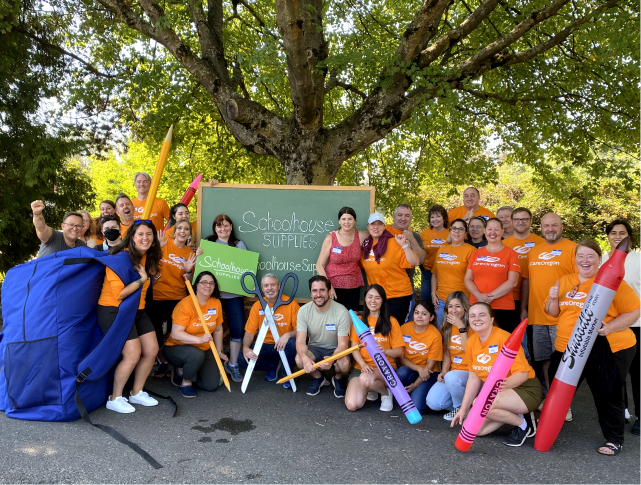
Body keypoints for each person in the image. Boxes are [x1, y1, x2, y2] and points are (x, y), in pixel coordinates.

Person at [546, 240, 641, 455]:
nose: (585, 260)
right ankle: (547, 430)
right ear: (574, 259)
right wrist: (553, 299)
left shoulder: (612, 281)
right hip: (569, 348)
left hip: (607, 347)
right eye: (581, 256)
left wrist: (611, 327)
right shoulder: (565, 281)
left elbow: (635, 310)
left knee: (607, 393)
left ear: (600, 260)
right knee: (557, 390)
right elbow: (553, 313)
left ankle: (614, 440)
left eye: (590, 256)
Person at [451, 302, 542, 447]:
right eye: (473, 316)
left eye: (482, 315)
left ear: (491, 319)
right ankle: (515, 413)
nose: (477, 319)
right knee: (475, 430)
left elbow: (523, 374)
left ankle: (524, 424)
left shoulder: (504, 338)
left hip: (525, 388)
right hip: (498, 392)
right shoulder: (470, 343)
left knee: (480, 404)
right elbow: (473, 379)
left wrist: (497, 390)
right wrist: (463, 409)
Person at [96, 219, 163, 413]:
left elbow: (145, 289)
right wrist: (143, 279)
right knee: (132, 354)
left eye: (149, 234)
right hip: (114, 309)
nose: (145, 238)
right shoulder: (119, 258)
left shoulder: (147, 258)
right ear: (132, 237)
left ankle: (136, 392)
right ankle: (115, 398)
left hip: (137, 310)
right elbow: (120, 294)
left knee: (152, 350)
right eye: (140, 234)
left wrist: (150, 278)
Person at [522, 212, 576, 398]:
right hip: (538, 316)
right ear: (541, 228)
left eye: (554, 225)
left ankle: (563, 400)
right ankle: (551, 397)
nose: (550, 229)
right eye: (546, 226)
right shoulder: (534, 251)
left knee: (562, 360)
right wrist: (523, 308)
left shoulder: (573, 249)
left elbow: (581, 281)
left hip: (562, 317)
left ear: (562, 227)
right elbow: (527, 281)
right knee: (544, 359)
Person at [603, 220, 641, 435]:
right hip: (611, 327)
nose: (618, 236)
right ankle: (622, 410)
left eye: (622, 233)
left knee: (638, 374)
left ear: (629, 237)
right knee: (615, 373)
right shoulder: (601, 261)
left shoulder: (638, 259)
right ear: (608, 236)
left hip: (637, 324)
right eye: (613, 233)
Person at [201, 214, 249, 383]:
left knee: (237, 329)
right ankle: (215, 362)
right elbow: (201, 269)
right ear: (215, 228)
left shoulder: (238, 245)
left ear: (231, 227)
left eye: (226, 226)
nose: (223, 229)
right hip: (213, 295)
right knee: (211, 328)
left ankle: (233, 364)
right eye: (219, 226)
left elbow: (245, 269)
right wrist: (199, 254)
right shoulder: (208, 244)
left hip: (234, 295)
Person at [164, 271, 228, 398]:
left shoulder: (216, 303)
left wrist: (219, 352)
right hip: (176, 348)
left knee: (211, 385)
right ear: (196, 285)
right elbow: (176, 334)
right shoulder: (185, 304)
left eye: (211, 283)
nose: (208, 286)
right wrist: (198, 339)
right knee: (196, 355)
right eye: (204, 282)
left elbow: (218, 330)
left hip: (203, 348)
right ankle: (185, 380)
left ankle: (189, 371)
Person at [345, 284, 404, 412]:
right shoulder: (359, 320)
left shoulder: (391, 321)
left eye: (377, 298)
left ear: (382, 301)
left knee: (366, 379)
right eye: (370, 297)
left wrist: (386, 350)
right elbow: (354, 348)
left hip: (385, 368)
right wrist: (363, 364)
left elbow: (399, 351)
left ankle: (385, 392)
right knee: (352, 404)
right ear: (365, 299)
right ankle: (371, 387)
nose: (373, 301)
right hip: (362, 368)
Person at [150, 220, 197, 378]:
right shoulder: (164, 244)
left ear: (190, 233)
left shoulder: (190, 254)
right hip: (156, 296)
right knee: (155, 335)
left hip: (177, 298)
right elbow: (147, 263)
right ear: (174, 231)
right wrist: (157, 248)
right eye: (179, 228)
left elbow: (189, 282)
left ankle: (173, 366)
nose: (183, 231)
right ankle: (162, 362)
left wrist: (188, 271)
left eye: (186, 229)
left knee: (173, 335)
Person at [295, 276, 352, 397]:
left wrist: (331, 359)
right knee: (299, 360)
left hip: (335, 349)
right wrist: (305, 359)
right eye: (314, 291)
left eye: (322, 290)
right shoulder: (303, 311)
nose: (318, 294)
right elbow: (300, 341)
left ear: (329, 291)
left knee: (344, 365)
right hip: (314, 348)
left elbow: (343, 344)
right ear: (311, 293)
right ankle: (318, 377)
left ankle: (338, 378)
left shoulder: (342, 312)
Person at [239, 274, 299, 387]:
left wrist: (287, 335)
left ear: (279, 286)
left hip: (284, 346)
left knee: (293, 342)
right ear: (262, 289)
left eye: (273, 285)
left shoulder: (291, 304)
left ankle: (287, 374)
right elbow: (249, 332)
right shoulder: (257, 306)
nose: (269, 288)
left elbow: (301, 330)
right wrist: (246, 348)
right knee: (242, 359)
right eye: (266, 285)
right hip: (265, 346)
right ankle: (272, 366)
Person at [361, 212, 419, 323]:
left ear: (384, 226)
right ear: (368, 227)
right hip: (377, 299)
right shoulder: (365, 247)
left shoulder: (395, 241)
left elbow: (415, 261)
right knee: (380, 333)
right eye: (373, 224)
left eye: (380, 224)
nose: (376, 227)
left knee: (395, 330)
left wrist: (404, 246)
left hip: (399, 296)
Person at [465, 218, 521, 332]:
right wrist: (479, 296)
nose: (493, 233)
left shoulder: (511, 253)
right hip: (477, 306)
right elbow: (467, 279)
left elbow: (513, 282)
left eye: (496, 229)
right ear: (485, 231)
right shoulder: (476, 253)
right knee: (479, 343)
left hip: (503, 307)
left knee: (501, 344)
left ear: (502, 231)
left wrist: (490, 297)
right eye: (490, 229)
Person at [426, 292, 473, 420]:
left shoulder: (473, 325)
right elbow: (447, 352)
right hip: (453, 372)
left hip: (471, 373)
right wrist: (444, 371)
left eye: (458, 306)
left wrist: (461, 327)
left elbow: (468, 350)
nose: (453, 310)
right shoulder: (445, 326)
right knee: (433, 403)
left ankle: (461, 408)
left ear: (465, 307)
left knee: (452, 378)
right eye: (450, 306)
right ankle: (471, 405)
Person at [316, 207, 369, 311]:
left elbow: (378, 234)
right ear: (339, 221)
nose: (347, 222)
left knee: (351, 317)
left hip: (353, 284)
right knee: (333, 318)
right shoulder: (331, 238)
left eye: (350, 219)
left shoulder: (362, 235)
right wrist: (328, 286)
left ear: (355, 221)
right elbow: (319, 265)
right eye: (343, 219)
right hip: (333, 285)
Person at [396, 300, 443, 414]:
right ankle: (406, 393)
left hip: (428, 373)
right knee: (401, 372)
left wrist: (415, 385)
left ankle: (412, 392)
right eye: (417, 313)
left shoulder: (435, 335)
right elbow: (401, 358)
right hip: (410, 370)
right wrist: (418, 369)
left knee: (417, 407)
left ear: (431, 317)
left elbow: (429, 366)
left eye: (424, 313)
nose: (419, 316)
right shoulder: (404, 329)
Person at [502, 207, 545, 326]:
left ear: (531, 221)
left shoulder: (542, 243)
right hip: (511, 297)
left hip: (536, 296)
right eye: (517, 219)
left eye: (524, 219)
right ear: (511, 221)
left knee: (535, 336)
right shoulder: (504, 244)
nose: (520, 222)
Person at [430, 219, 476, 327]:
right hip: (441, 300)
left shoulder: (472, 251)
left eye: (461, 229)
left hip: (462, 301)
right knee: (439, 331)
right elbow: (434, 274)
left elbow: (476, 277)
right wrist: (433, 294)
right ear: (450, 231)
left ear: (465, 233)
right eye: (454, 228)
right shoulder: (441, 250)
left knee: (459, 334)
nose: (457, 231)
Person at [420, 204, 450, 301]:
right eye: (432, 217)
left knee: (443, 299)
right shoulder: (424, 234)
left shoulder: (450, 233)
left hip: (445, 272)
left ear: (444, 218)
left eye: (438, 216)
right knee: (425, 298)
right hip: (428, 271)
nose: (435, 219)